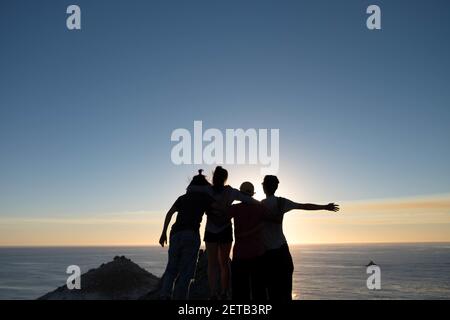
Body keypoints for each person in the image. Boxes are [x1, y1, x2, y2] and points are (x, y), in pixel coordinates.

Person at [261, 175, 340, 301]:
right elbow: (304, 206)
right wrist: (324, 207)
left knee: (271, 290)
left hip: (267, 254)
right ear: (276, 187)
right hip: (282, 252)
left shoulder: (258, 206)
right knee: (286, 289)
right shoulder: (281, 202)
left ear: (264, 187)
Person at [187, 166, 258, 300]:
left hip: (211, 230)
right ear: (225, 179)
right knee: (224, 264)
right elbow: (248, 199)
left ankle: (214, 294)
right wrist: (261, 205)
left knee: (212, 264)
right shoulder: (230, 191)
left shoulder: (207, 189)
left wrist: (201, 180)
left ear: (214, 177)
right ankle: (224, 293)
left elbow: (190, 189)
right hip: (225, 229)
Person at [158, 170, 213, 300]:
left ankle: (165, 296)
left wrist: (163, 233)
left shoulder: (183, 198)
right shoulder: (205, 198)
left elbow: (170, 213)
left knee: (171, 269)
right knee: (186, 272)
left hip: (175, 234)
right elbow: (215, 212)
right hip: (191, 234)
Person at [228, 182, 273, 300]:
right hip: (258, 254)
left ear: (240, 193)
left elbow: (220, 216)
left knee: (239, 292)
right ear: (252, 194)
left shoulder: (234, 208)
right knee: (259, 291)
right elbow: (272, 218)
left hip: (239, 255)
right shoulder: (260, 208)